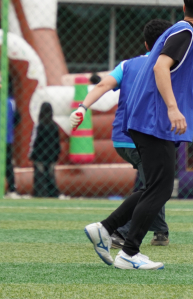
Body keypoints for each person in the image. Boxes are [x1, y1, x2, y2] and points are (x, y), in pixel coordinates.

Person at [84, 0, 193, 270]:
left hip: (145, 119)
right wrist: (173, 108)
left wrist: (185, 106)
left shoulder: (179, 31)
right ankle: (129, 252)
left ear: (184, 7)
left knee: (154, 186)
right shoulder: (186, 33)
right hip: (153, 120)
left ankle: (106, 229)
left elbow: (170, 73)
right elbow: (160, 67)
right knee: (160, 189)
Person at [70, 19, 173, 249]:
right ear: (168, 43)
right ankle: (119, 232)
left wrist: (82, 107)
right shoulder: (170, 67)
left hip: (122, 137)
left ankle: (160, 231)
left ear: (146, 44)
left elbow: (102, 86)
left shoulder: (127, 65)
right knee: (155, 186)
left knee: (154, 180)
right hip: (148, 137)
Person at [29, 102, 61, 197]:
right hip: (51, 155)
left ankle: (40, 193)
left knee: (39, 175)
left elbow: (34, 141)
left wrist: (31, 154)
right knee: (50, 175)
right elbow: (57, 142)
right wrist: (56, 154)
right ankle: (52, 193)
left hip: (39, 155)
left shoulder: (39, 125)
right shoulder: (55, 126)